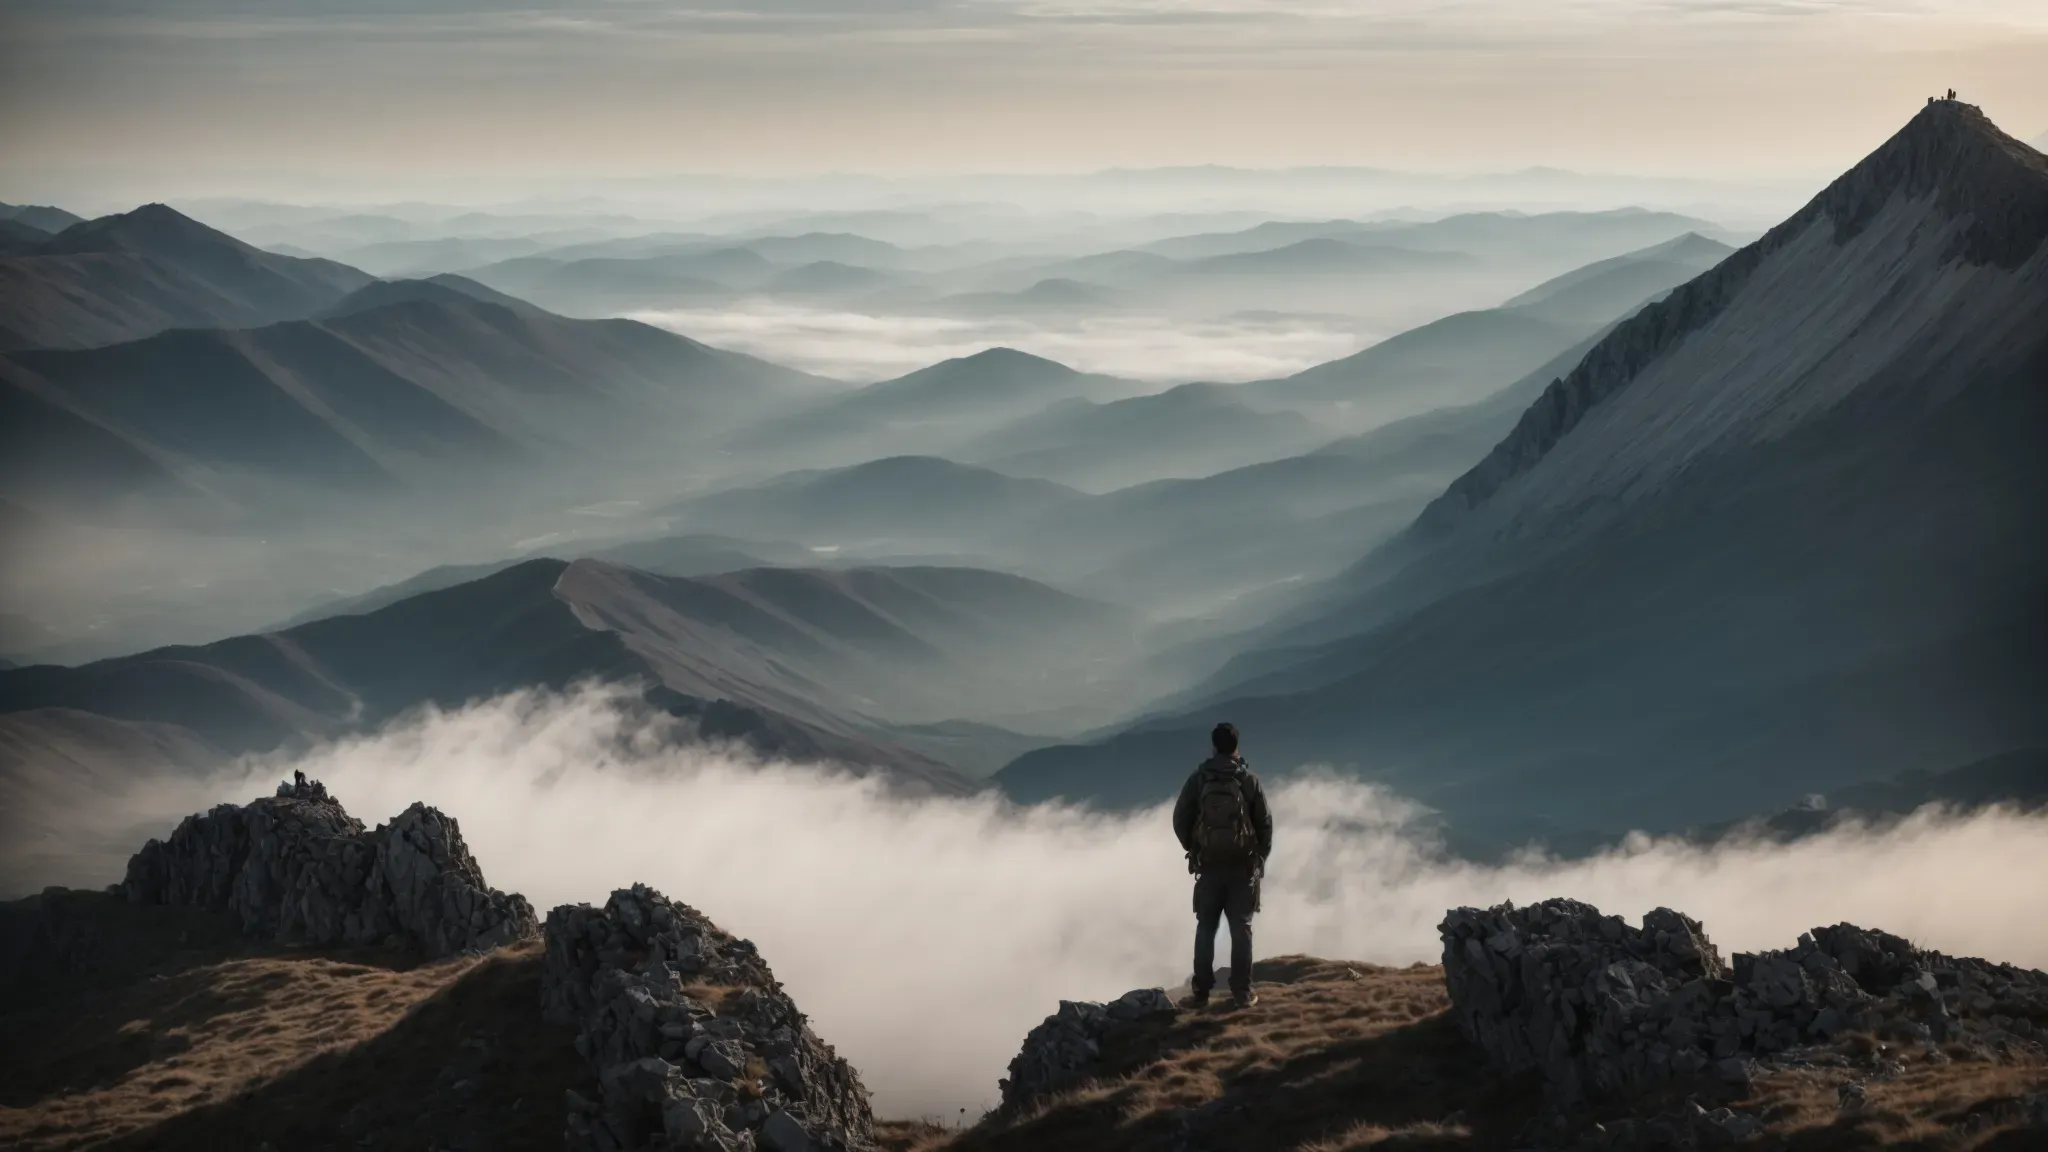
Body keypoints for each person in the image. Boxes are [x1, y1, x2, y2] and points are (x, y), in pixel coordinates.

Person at [1171, 722, 1273, 1008]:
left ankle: (1201, 993)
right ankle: (1242, 993)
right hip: (1242, 867)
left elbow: (1180, 818)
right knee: (1241, 928)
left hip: (1209, 866)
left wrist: (1195, 848)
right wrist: (1259, 858)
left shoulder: (1199, 779)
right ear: (1236, 746)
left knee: (1206, 928)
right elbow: (1265, 824)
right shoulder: (1248, 780)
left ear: (1214, 746)